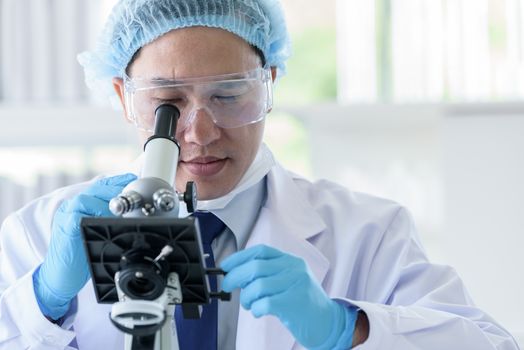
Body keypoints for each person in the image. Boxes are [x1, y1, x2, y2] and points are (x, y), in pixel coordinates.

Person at [0, 0, 519, 349]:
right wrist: (43, 299)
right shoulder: (41, 233)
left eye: (228, 95)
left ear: (268, 83)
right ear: (123, 98)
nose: (199, 134)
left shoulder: (366, 232)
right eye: (167, 103)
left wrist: (348, 328)